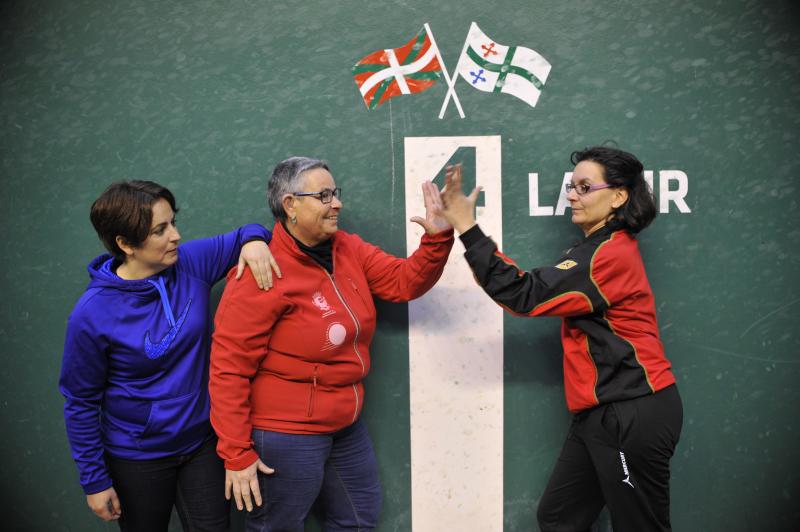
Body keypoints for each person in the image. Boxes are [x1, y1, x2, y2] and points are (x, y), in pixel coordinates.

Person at [438, 147, 683, 532]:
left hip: (631, 410)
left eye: (585, 187)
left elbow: (523, 295)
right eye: (572, 186)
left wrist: (468, 228)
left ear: (619, 196)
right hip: (600, 413)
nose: (572, 195)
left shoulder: (605, 256)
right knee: (559, 517)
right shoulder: (594, 250)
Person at [208, 156, 454, 530]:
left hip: (345, 425)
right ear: (290, 205)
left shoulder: (346, 248)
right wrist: (237, 453)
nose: (337, 203)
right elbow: (228, 369)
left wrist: (436, 239)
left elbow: (403, 282)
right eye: (324, 196)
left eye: (335, 193)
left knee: (357, 520)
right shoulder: (261, 271)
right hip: (285, 433)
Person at [59, 180, 281, 531]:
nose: (175, 236)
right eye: (160, 230)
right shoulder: (92, 313)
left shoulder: (190, 263)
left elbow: (247, 232)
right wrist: (94, 481)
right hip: (137, 456)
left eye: (173, 223)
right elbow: (80, 402)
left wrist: (254, 242)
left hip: (201, 444)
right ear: (125, 243)